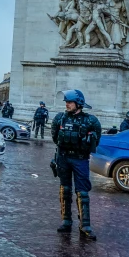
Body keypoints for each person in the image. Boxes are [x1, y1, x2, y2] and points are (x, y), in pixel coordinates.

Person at [51, 90, 101, 240]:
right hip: (63, 158)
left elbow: (95, 141)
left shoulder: (91, 121)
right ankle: (66, 221)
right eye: (66, 102)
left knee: (83, 193)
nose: (67, 104)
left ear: (78, 104)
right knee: (65, 190)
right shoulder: (59, 118)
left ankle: (85, 225)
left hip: (80, 160)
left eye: (70, 102)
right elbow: (55, 137)